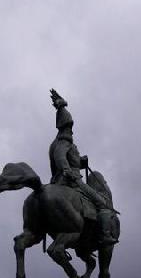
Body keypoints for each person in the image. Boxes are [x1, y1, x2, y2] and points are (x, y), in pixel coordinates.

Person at [48, 89, 118, 245]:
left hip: (65, 178)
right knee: (102, 203)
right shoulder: (63, 141)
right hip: (72, 181)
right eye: (69, 126)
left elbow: (69, 159)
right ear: (65, 126)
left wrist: (80, 161)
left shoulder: (59, 142)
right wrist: (67, 170)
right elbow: (60, 157)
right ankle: (105, 235)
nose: (71, 130)